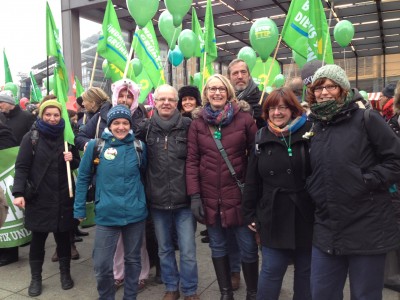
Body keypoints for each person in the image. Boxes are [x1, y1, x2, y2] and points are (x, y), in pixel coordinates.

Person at [306, 64, 400, 300]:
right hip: (327, 229)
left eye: (331, 86)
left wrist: (366, 181)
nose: (324, 92)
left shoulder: (367, 118)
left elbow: (396, 160)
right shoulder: (316, 125)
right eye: (319, 87)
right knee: (321, 294)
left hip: (366, 228)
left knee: (365, 295)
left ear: (343, 89)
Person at [186, 74, 259, 300]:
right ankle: (225, 292)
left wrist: (254, 195)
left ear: (228, 92)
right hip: (210, 198)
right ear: (206, 93)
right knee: (217, 246)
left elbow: (256, 159)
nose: (216, 93)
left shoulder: (245, 119)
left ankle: (253, 293)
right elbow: (192, 161)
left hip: (239, 198)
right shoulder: (197, 124)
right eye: (212, 89)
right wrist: (195, 196)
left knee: (248, 247)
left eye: (221, 89)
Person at [242, 88, 314, 300]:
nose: (277, 113)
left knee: (305, 273)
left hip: (306, 213)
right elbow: (252, 179)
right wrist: (249, 213)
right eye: (272, 108)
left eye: (282, 107)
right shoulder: (261, 136)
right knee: (271, 271)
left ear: (292, 109)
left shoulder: (310, 131)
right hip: (273, 214)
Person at [74, 105, 148, 300]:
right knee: (101, 265)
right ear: (110, 124)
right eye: (117, 123)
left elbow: (144, 175)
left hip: (135, 213)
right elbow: (82, 178)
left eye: (125, 123)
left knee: (133, 261)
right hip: (107, 214)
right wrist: (79, 207)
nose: (121, 127)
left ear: (130, 125)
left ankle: (130, 296)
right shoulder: (95, 146)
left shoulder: (139, 147)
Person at [136, 84, 200, 300]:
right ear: (154, 101)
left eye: (170, 100)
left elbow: (197, 159)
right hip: (157, 200)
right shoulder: (144, 128)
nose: (166, 103)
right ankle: (171, 287)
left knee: (188, 251)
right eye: (161, 99)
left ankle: (190, 290)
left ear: (177, 102)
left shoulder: (188, 125)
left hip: (184, 200)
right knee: (164, 249)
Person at [12, 97, 80, 297]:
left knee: (64, 239)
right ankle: (36, 278)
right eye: (48, 114)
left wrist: (72, 158)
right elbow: (22, 167)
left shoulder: (67, 137)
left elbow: (75, 163)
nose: (52, 118)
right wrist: (18, 193)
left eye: (56, 115)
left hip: (62, 196)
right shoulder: (31, 138)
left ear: (61, 117)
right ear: (41, 115)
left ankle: (65, 274)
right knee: (38, 241)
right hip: (39, 198)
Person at [0, 90, 36, 267]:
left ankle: (10, 251)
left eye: (2, 102)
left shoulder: (22, 118)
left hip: (10, 168)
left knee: (8, 211)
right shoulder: (4, 118)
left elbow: (11, 142)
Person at [75, 79, 147, 151]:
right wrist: (93, 145)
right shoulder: (100, 117)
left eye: (129, 97)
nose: (124, 100)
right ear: (115, 97)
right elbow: (80, 138)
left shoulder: (143, 120)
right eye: (120, 96)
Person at [227, 58, 266, 128]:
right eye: (235, 73)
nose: (240, 76)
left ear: (249, 76)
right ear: (229, 78)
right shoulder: (225, 101)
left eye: (243, 72)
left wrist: (263, 119)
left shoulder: (265, 98)